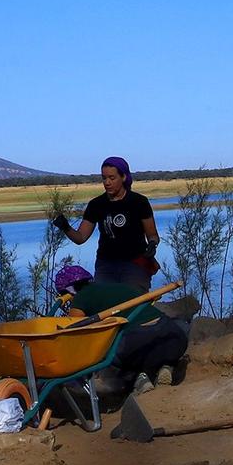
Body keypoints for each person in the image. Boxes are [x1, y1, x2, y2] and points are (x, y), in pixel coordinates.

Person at [54, 264, 190, 391]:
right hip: (173, 336)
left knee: (108, 354)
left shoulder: (80, 298)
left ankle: (139, 379)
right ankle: (167, 366)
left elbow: (74, 329)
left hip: (136, 343)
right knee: (167, 332)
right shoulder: (120, 287)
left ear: (69, 291)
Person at [53, 156, 160, 290]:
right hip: (106, 264)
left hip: (135, 263)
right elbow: (80, 238)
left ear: (124, 177)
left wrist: (152, 245)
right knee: (104, 303)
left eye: (112, 178)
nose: (107, 182)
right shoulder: (96, 204)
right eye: (104, 178)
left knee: (133, 300)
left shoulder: (139, 202)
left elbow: (152, 235)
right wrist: (65, 227)